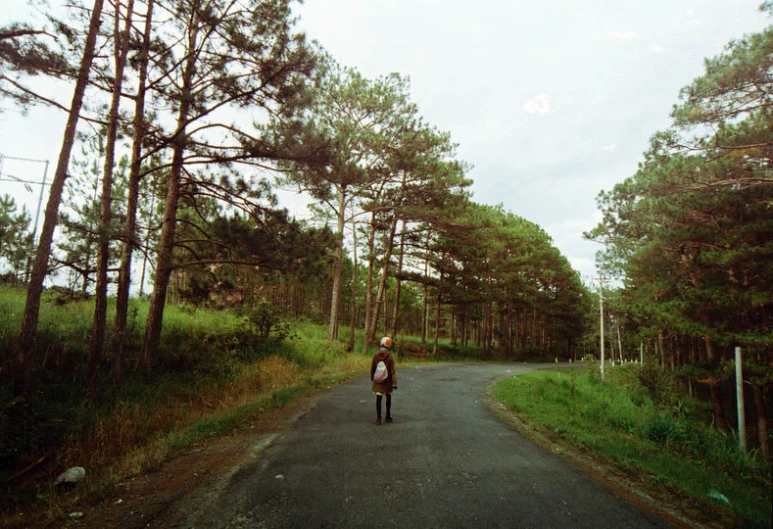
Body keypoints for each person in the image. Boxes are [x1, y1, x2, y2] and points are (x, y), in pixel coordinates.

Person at [370, 336, 397, 425]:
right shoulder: (390, 357)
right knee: (388, 397)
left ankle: (378, 418)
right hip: (387, 382)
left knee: (379, 398)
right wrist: (394, 383)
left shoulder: (375, 355)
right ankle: (388, 416)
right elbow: (393, 371)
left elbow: (373, 368)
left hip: (378, 381)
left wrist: (372, 377)